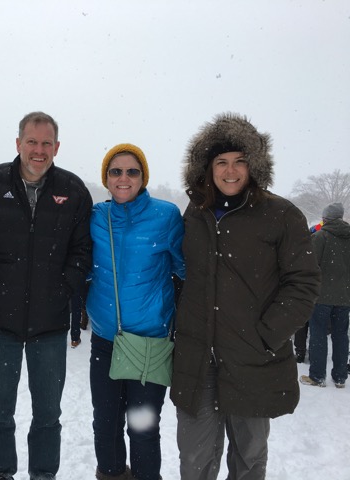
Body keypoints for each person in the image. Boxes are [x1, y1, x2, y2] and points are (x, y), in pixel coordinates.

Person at [171, 113, 320, 480]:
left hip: (253, 359)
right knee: (194, 459)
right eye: (221, 162)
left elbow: (303, 282)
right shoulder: (195, 213)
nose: (230, 171)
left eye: (239, 161)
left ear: (254, 165)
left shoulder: (281, 215)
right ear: (207, 168)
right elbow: (180, 272)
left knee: (249, 459)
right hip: (198, 359)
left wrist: (266, 335)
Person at [0, 111, 92, 480]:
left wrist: (64, 286)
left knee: (48, 414)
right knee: (0, 410)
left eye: (46, 143)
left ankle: (43, 473)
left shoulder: (72, 190)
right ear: (18, 143)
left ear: (57, 147)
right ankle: (0, 470)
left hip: (49, 324)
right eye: (32, 142)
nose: (39, 150)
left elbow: (82, 249)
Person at [85, 144, 185, 480]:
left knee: (142, 429)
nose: (123, 178)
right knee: (106, 424)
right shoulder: (96, 216)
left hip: (149, 344)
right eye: (116, 171)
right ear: (106, 178)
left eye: (132, 171)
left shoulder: (166, 215)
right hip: (105, 341)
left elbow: (186, 268)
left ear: (143, 178)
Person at [300, 202, 350, 388]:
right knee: (341, 336)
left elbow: (309, 265)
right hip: (345, 297)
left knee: (318, 334)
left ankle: (317, 376)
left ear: (326, 218)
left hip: (321, 296)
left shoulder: (320, 236)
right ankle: (340, 377)